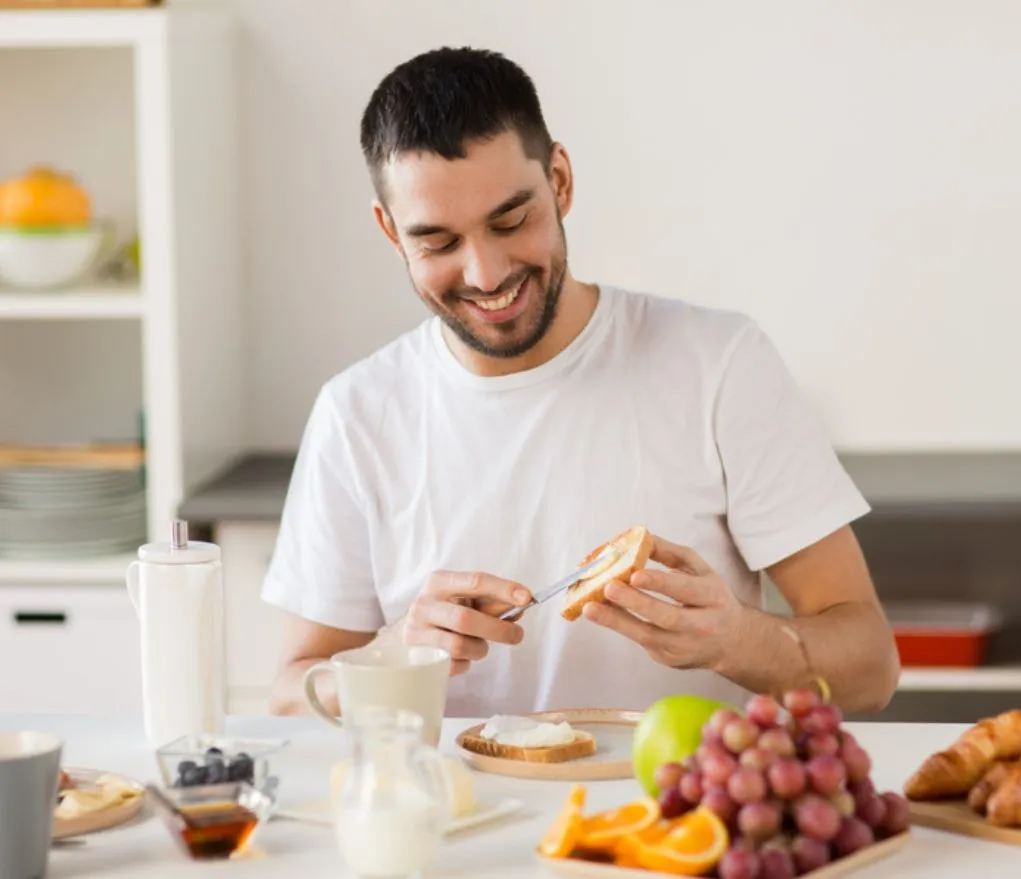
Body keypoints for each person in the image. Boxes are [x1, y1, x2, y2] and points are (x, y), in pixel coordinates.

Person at [262, 46, 900, 721]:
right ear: (391, 231)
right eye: (439, 243)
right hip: (458, 820)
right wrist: (390, 657)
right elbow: (286, 696)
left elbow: (871, 668)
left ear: (560, 181)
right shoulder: (357, 412)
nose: (484, 273)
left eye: (511, 221)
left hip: (679, 818)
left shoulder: (719, 363)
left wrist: (737, 639)